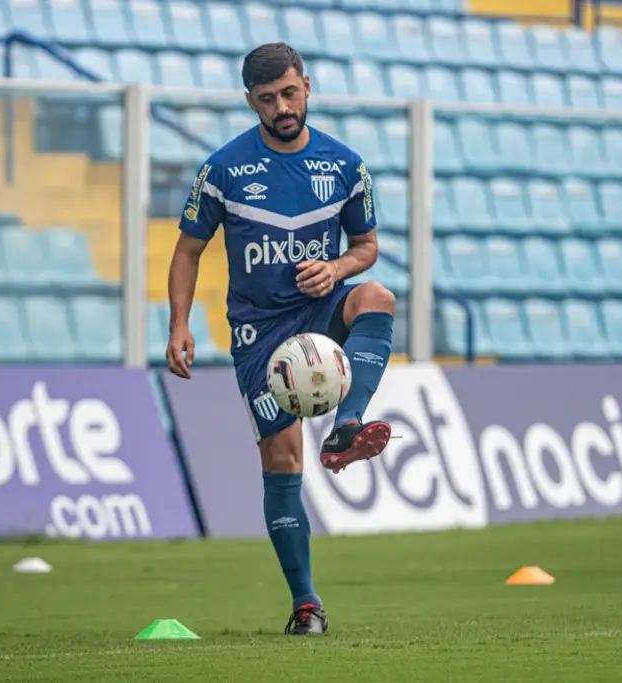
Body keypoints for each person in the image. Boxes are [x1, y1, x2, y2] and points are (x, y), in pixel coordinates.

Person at [165, 42, 396, 634]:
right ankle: (306, 605)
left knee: (378, 297)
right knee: (282, 454)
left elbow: (367, 247)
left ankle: (348, 424)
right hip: (260, 332)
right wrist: (179, 325)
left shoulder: (345, 167)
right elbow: (188, 251)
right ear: (251, 102)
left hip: (321, 309)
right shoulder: (223, 170)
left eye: (290, 93)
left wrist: (338, 268)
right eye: (267, 99)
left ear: (307, 87)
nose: (282, 107)